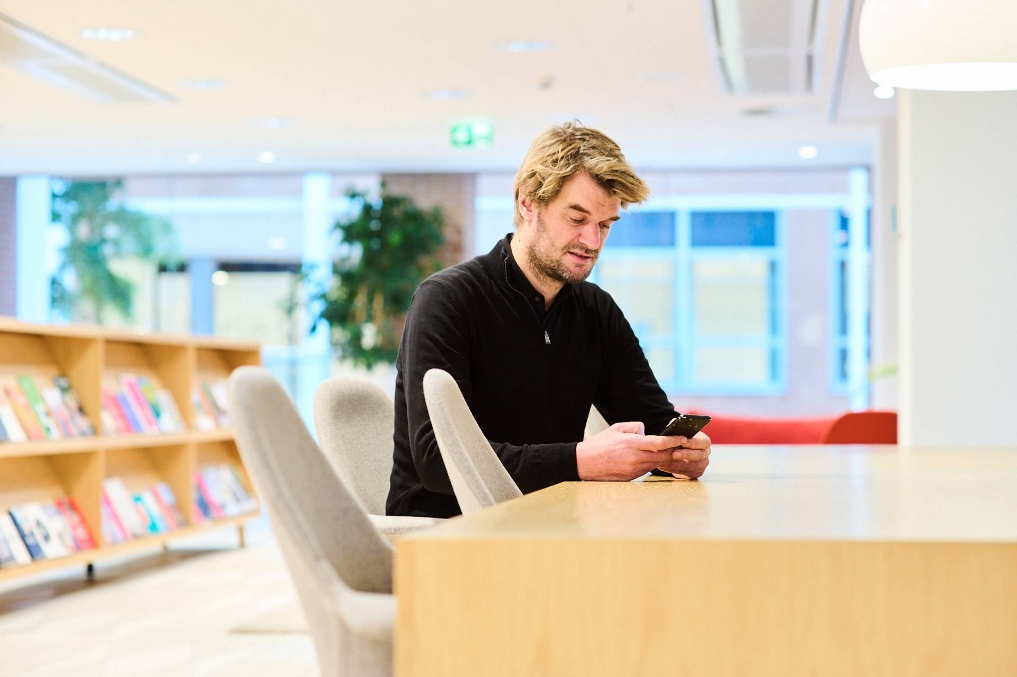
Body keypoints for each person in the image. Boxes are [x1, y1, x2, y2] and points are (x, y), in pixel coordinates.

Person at [386, 121, 711, 518]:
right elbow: (437, 461)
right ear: (528, 204)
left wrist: (679, 451)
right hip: (447, 531)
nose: (592, 242)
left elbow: (656, 423)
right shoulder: (447, 300)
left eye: (604, 225)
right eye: (577, 219)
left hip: (548, 521)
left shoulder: (595, 310)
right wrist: (580, 461)